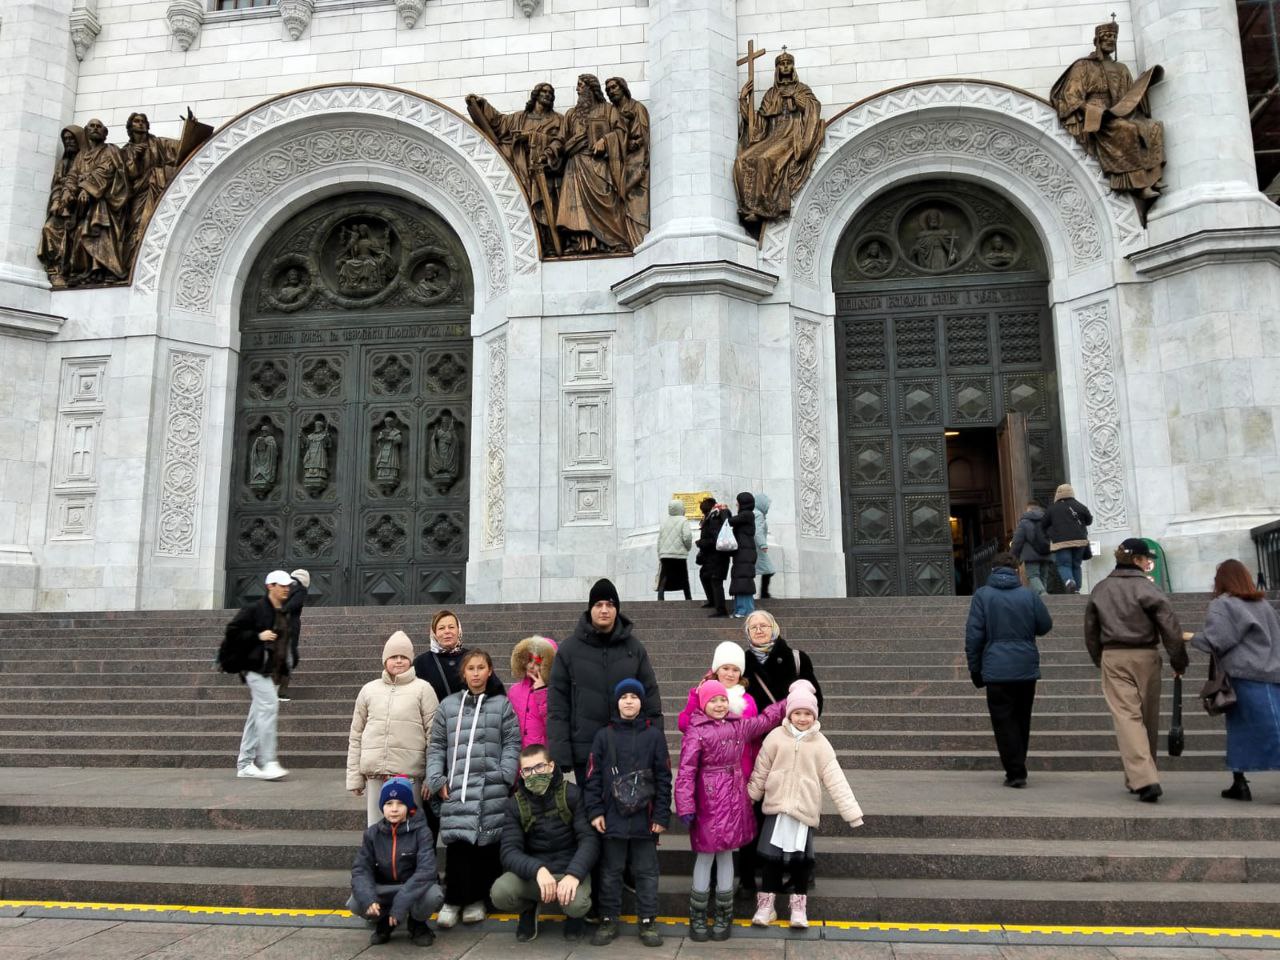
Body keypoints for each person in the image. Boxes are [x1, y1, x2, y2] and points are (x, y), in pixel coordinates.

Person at [675, 678, 789, 942]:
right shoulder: (696, 731)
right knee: (705, 856)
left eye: (723, 700)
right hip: (707, 801)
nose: (719, 705)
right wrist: (685, 804)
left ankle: (724, 914)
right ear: (703, 704)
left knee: (727, 854)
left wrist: (787, 702)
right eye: (713, 700)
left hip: (733, 800)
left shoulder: (737, 726)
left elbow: (764, 720)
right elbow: (686, 772)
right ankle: (698, 914)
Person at [748, 680, 863, 929]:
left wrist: (852, 813)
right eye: (797, 713)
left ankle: (798, 907)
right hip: (777, 808)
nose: (802, 718)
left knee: (801, 862)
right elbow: (761, 771)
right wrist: (751, 796)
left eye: (808, 713)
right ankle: (766, 905)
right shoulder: (775, 737)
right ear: (789, 713)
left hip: (803, 810)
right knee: (771, 859)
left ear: (815, 715)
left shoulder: (821, 744)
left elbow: (836, 780)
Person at [1085, 538, 1188, 802]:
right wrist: (1178, 660)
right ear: (1137, 560)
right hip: (1146, 655)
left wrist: (1099, 658)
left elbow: (1091, 630)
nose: (1148, 563)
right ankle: (1145, 776)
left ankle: (1141, 776)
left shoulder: (1101, 588)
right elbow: (1170, 627)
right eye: (1146, 559)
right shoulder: (1148, 589)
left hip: (1113, 654)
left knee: (1128, 717)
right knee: (1146, 717)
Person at [425, 649, 521, 926]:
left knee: (485, 846)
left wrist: (505, 775)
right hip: (458, 787)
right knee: (458, 844)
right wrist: (436, 778)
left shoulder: (502, 705)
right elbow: (437, 745)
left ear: (490, 671)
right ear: (463, 673)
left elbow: (512, 742)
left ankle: (478, 899)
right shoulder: (448, 706)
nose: (476, 673)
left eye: (481, 668)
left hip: (491, 787)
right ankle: (453, 899)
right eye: (471, 668)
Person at [546, 578, 662, 787]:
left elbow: (651, 697)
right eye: (598, 605)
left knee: (628, 804)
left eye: (610, 604)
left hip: (629, 746)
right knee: (591, 805)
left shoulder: (634, 648)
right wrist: (560, 752)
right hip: (585, 749)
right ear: (590, 608)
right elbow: (558, 705)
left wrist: (656, 744)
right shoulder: (569, 650)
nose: (604, 610)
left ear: (617, 609)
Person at [584, 679, 673, 947]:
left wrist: (661, 815)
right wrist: (595, 811)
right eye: (624, 697)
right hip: (612, 817)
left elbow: (664, 777)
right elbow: (592, 777)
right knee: (610, 871)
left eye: (634, 696)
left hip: (645, 818)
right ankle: (608, 919)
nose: (629, 701)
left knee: (647, 872)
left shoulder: (654, 736)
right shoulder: (604, 736)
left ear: (641, 702)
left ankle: (647, 921)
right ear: (617, 702)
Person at [490, 743, 599, 943]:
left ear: (551, 766)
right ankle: (529, 907)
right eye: (528, 770)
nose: (534, 774)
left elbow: (589, 840)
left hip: (569, 870)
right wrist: (537, 870)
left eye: (539, 767)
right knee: (500, 893)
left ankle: (575, 916)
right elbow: (509, 851)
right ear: (521, 774)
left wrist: (574, 874)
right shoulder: (515, 804)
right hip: (536, 875)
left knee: (577, 905)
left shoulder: (572, 794)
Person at [1191, 559, 1280, 802]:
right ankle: (1238, 782)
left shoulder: (1224, 603)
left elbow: (1217, 640)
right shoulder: (1263, 604)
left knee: (1253, 728)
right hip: (1272, 672)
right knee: (1263, 725)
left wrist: (1189, 637)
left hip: (1245, 674)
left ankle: (1239, 782)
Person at [964, 552, 1054, 788]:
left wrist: (975, 668)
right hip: (1025, 665)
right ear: (1016, 571)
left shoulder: (983, 595)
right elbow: (1045, 625)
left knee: (1003, 721)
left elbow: (974, 636)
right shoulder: (1028, 594)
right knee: (1022, 718)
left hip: (995, 668)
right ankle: (1018, 764)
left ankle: (1015, 771)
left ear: (992, 570)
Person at [346, 630, 440, 825]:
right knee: (376, 830)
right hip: (376, 775)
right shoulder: (369, 690)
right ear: (385, 660)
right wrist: (355, 777)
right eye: (393, 657)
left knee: (409, 831)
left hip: (409, 775)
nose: (398, 661)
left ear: (410, 660)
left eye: (403, 657)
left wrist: (432, 776)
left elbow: (434, 735)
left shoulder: (423, 689)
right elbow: (356, 734)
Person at [348, 777, 444, 946]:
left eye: (400, 803)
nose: (394, 809)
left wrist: (400, 903)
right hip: (384, 888)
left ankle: (417, 923)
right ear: (382, 807)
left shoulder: (422, 832)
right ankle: (384, 922)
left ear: (409, 806)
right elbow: (361, 870)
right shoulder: (372, 834)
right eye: (389, 803)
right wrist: (369, 898)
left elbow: (427, 871)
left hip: (411, 888)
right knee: (356, 902)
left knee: (433, 894)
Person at [221, 569, 293, 781]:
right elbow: (232, 631)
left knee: (256, 716)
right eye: (282, 585)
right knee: (269, 707)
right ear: (270, 586)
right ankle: (268, 761)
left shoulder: (281, 611)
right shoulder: (255, 608)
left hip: (273, 671)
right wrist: (257, 636)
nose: (286, 589)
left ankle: (245, 764)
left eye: (288, 586)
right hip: (255, 668)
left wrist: (285, 667)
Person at [412, 610, 505, 706]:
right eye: (441, 628)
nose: (447, 631)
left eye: (451, 627)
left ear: (458, 630)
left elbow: (496, 690)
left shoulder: (473, 658)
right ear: (434, 633)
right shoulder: (421, 663)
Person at [1041, 483, 1092, 593]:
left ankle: (1069, 581)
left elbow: (1043, 524)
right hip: (1080, 541)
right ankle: (1077, 589)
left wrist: (1050, 533)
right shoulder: (1080, 506)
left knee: (1064, 564)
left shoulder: (1052, 508)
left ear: (1057, 494)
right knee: (1076, 565)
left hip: (1061, 542)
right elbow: (1089, 520)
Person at [508, 636, 557, 749]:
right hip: (520, 753)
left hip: (543, 753)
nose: (531, 666)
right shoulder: (514, 691)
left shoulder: (555, 690)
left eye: (538, 662)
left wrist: (542, 692)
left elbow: (555, 724)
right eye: (529, 660)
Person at [275, 568, 309, 702]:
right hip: (289, 625)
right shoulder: (301, 590)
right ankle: (281, 691)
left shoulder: (280, 586)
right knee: (288, 657)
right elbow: (294, 604)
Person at [695, 498, 732, 617]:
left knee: (716, 581)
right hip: (711, 557)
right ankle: (712, 601)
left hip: (718, 557)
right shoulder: (710, 517)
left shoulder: (714, 518)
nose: (702, 513)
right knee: (704, 575)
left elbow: (715, 540)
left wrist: (701, 542)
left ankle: (721, 610)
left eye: (703, 511)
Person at [1011, 500, 1052, 596]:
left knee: (1033, 575)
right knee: (1043, 577)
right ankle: (1042, 599)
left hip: (1031, 555)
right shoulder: (1048, 520)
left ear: (1028, 509)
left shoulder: (1024, 522)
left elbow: (1017, 541)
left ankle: (1043, 594)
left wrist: (1013, 556)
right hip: (1046, 552)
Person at [728, 492, 758, 618]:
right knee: (741, 580)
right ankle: (741, 609)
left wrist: (724, 511)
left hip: (745, 553)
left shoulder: (747, 515)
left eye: (738, 502)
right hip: (744, 552)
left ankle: (744, 610)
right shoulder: (746, 515)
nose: (736, 504)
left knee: (743, 581)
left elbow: (729, 521)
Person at [657, 499, 693, 601]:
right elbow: (687, 536)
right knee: (683, 576)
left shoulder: (664, 521)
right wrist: (688, 547)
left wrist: (660, 553)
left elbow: (659, 539)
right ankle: (688, 597)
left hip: (665, 554)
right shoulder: (683, 520)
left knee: (664, 575)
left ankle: (660, 596)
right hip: (679, 554)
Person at [754, 493, 775, 599]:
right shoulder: (758, 515)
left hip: (755, 546)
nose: (768, 508)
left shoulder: (754, 513)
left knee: (766, 570)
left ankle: (764, 593)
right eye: (767, 505)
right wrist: (763, 544)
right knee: (769, 570)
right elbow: (758, 531)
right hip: (758, 547)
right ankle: (764, 594)